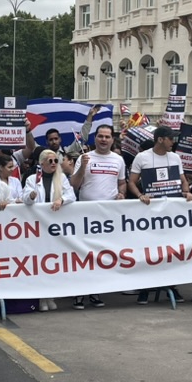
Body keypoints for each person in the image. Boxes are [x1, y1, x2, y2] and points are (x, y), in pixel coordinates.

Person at [128, 125, 192, 304]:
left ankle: (172, 286)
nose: (174, 142)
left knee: (171, 251)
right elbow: (131, 182)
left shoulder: (175, 158)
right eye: (171, 138)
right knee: (149, 251)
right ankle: (145, 289)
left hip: (171, 213)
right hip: (149, 214)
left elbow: (182, 181)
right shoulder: (142, 157)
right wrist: (140, 195)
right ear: (160, 139)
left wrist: (186, 192)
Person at [69, 124, 125, 309]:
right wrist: (82, 167)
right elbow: (74, 185)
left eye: (107, 137)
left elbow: (122, 183)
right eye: (100, 136)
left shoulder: (118, 160)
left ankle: (95, 292)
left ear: (112, 139)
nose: (103, 139)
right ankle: (79, 294)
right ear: (95, 138)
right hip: (85, 215)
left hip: (107, 218)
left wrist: (121, 194)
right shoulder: (85, 158)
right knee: (83, 255)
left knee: (101, 256)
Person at [23, 149, 75, 312]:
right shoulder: (32, 179)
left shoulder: (62, 179)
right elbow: (26, 200)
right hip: (37, 226)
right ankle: (40, 297)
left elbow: (72, 196)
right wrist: (31, 195)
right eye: (50, 161)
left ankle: (50, 296)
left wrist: (62, 199)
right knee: (38, 262)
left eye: (55, 161)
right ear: (42, 163)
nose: (53, 164)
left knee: (52, 262)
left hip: (54, 226)